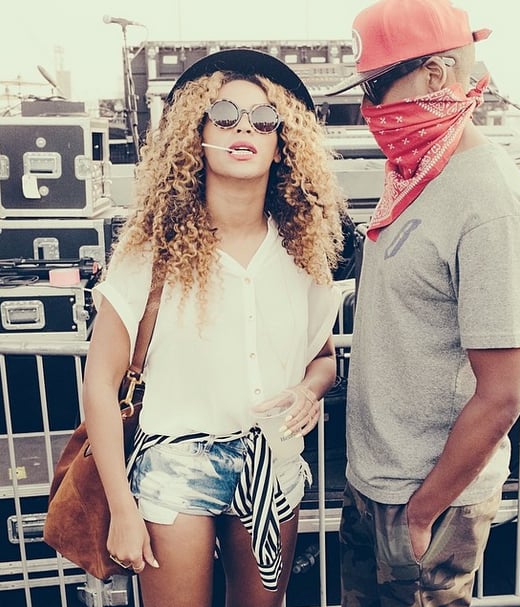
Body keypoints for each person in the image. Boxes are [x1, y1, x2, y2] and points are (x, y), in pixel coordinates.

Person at [82, 48, 347, 607]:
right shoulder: (149, 253)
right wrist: (122, 510)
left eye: (264, 118)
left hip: (270, 461)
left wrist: (308, 388)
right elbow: (100, 385)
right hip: (176, 464)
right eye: (224, 114)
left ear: (284, 146)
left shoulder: (304, 257)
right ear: (194, 137)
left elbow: (323, 358)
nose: (243, 127)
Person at [325, 1, 520, 605]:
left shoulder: (489, 202)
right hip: (376, 485)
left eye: (375, 85)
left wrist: (422, 513)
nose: (368, 106)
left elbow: (503, 393)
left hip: (423, 499)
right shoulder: (416, 175)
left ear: (434, 77)